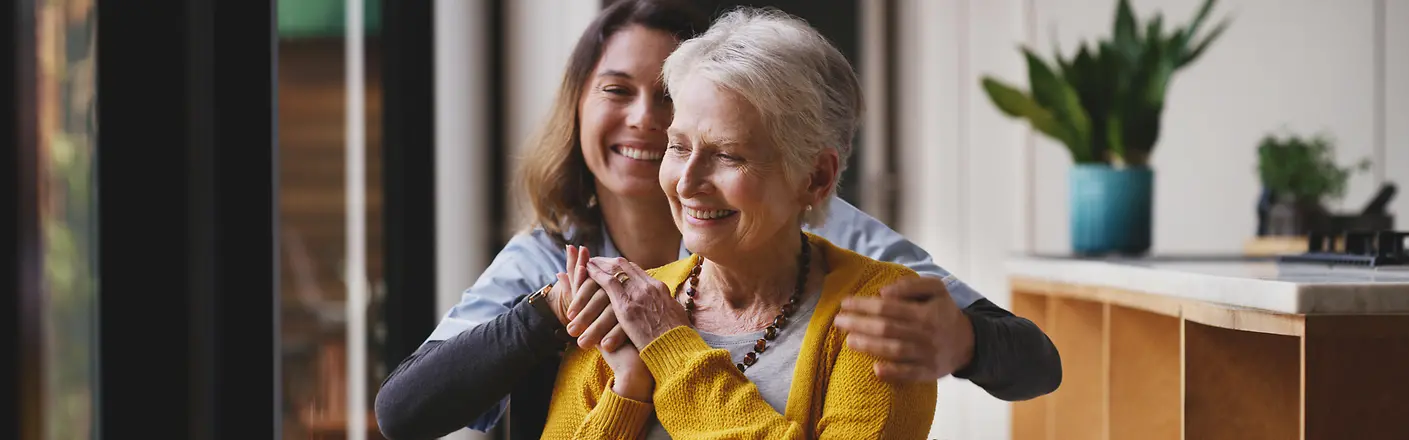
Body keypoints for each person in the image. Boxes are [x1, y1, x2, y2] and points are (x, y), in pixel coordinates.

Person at [373, 1, 1060, 439]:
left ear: (814, 180)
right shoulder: (559, 265)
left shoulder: (859, 276)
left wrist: (964, 340)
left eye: (727, 151)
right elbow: (404, 410)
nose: (646, 122)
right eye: (619, 92)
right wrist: (612, 371)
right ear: (577, 105)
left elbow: (1032, 358)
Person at [543, 9, 934, 437]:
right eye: (677, 146)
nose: (687, 183)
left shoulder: (887, 314)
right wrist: (628, 391)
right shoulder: (627, 309)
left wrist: (670, 349)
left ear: (816, 177)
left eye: (728, 155)